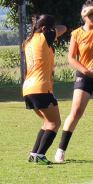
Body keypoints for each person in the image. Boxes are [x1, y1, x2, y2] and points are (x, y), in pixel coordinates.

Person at [55, 0, 93, 163]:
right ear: (84, 15)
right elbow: (71, 58)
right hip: (85, 76)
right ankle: (61, 150)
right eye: (91, 14)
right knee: (76, 111)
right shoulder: (76, 34)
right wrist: (86, 71)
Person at [22, 14, 67, 164]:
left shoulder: (28, 42)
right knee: (55, 123)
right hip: (41, 87)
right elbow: (64, 28)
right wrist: (54, 29)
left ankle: (34, 153)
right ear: (44, 28)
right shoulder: (42, 36)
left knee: (47, 123)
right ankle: (40, 156)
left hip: (28, 88)